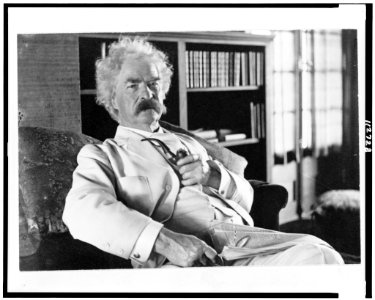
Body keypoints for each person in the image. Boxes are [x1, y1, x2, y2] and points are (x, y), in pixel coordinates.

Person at [62, 36, 344, 268]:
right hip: (184, 260)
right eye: (132, 85)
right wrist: (167, 241)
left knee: (321, 257)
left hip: (241, 244)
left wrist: (214, 176)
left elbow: (247, 201)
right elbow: (81, 210)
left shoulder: (192, 144)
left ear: (163, 92)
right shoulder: (104, 155)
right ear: (112, 99)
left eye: (153, 84)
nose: (146, 93)